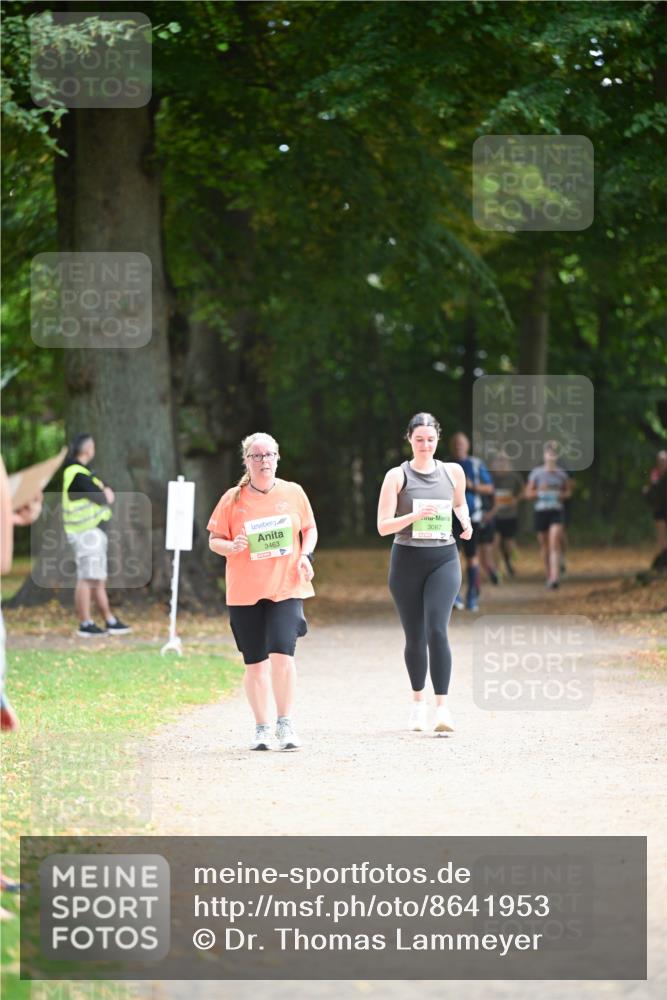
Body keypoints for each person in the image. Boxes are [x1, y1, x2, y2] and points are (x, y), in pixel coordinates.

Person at [208, 432, 317, 751]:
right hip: (245, 591)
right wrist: (231, 546)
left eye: (268, 455)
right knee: (255, 663)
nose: (263, 461)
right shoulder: (232, 499)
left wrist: (305, 555)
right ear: (246, 460)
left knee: (283, 655)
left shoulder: (293, 492)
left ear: (277, 458)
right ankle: (261, 727)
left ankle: (285, 723)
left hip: (286, 587)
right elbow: (214, 540)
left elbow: (309, 529)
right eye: (256, 456)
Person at [377, 412, 472, 735]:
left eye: (431, 439)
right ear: (409, 439)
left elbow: (459, 504)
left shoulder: (453, 472)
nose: (425, 445)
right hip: (406, 560)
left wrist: (466, 523)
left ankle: (443, 708)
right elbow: (383, 525)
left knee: (437, 630)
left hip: (444, 558)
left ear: (438, 439)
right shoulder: (397, 476)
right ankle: (418, 704)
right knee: (415, 635)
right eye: (419, 439)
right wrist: (413, 516)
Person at [62, 434, 130, 637]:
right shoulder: (76, 474)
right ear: (87, 449)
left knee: (97, 579)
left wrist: (105, 492)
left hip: (92, 533)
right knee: (87, 578)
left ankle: (109, 620)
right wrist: (105, 493)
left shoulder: (83, 473)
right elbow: (103, 497)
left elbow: (105, 493)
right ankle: (85, 623)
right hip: (85, 533)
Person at [448, 432, 494, 611]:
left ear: (467, 445)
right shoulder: (444, 465)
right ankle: (454, 595)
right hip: (450, 517)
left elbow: (489, 488)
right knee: (452, 556)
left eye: (462, 443)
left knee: (472, 557)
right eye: (456, 443)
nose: (459, 446)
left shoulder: (476, 464)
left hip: (472, 517)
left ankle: (472, 595)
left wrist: (472, 486)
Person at [525, 442, 572, 589]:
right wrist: (540, 490)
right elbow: (528, 494)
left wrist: (560, 494)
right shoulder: (536, 473)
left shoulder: (562, 475)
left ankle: (555, 577)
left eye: (554, 454)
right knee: (544, 545)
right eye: (549, 454)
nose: (551, 457)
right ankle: (549, 574)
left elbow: (568, 493)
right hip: (541, 512)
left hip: (556, 511)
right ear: (544, 456)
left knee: (554, 542)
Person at [489, 451, 525, 578]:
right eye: (498, 459)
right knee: (495, 542)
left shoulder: (514, 476)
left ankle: (509, 562)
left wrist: (516, 499)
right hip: (495, 515)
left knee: (508, 544)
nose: (501, 462)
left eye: (503, 459)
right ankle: (496, 572)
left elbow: (523, 490)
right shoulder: (491, 476)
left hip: (510, 515)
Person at [643, 449, 667, 558]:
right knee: (661, 535)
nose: (662, 463)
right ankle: (663, 557)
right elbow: (654, 486)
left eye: (664, 460)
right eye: (660, 460)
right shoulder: (655, 473)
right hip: (659, 507)